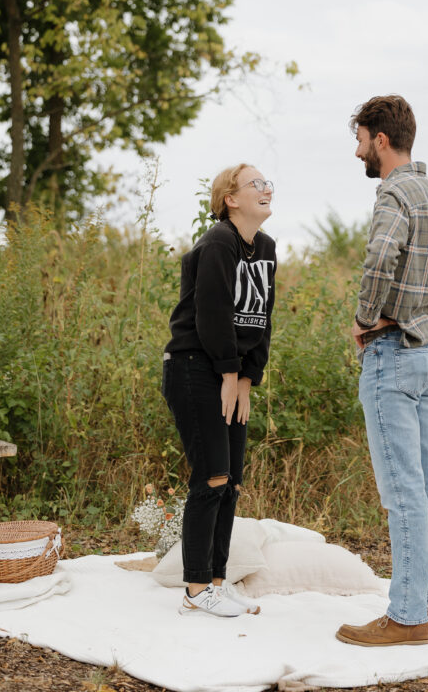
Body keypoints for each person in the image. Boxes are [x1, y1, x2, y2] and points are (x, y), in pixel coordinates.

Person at [336, 95, 428, 648]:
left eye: (360, 139)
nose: (357, 151)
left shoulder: (394, 192)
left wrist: (368, 318)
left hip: (393, 355)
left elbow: (379, 258)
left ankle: (405, 617)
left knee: (404, 492)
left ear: (381, 139)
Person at [162, 163, 276, 618]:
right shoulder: (217, 243)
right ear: (230, 198)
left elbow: (261, 319)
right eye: (256, 184)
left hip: (230, 374)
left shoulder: (264, 247)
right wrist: (229, 374)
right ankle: (194, 590)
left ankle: (215, 581)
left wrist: (248, 377)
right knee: (211, 476)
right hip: (194, 367)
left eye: (268, 183)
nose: (267, 189)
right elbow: (211, 315)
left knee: (230, 483)